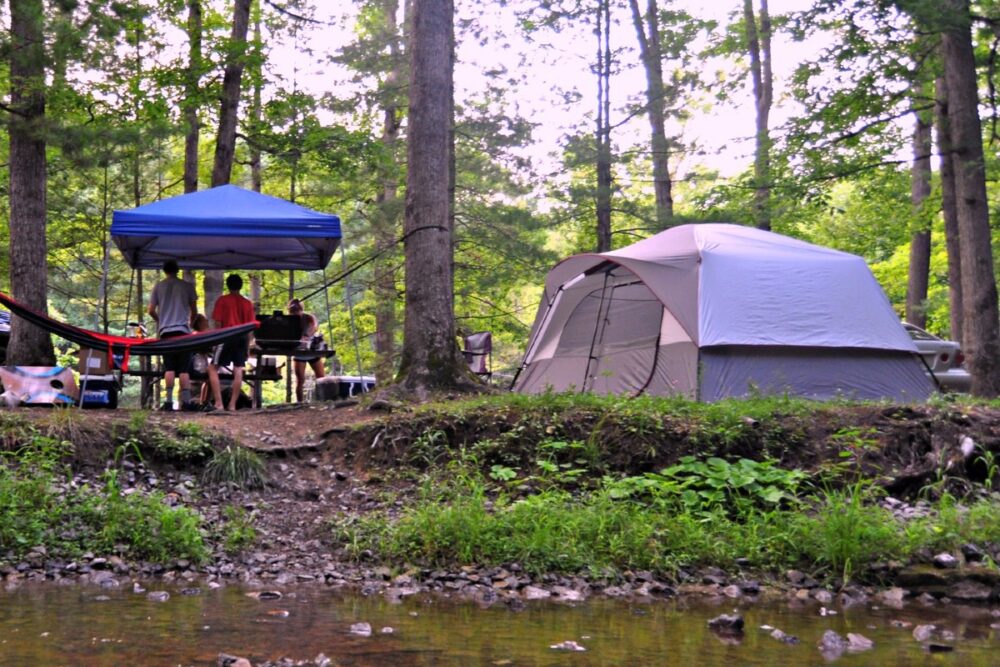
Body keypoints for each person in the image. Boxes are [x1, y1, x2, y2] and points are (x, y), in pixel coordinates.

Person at [148, 259, 197, 411]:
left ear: (164, 270)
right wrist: (190, 323)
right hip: (183, 331)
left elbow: (150, 310)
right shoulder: (187, 286)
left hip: (166, 332)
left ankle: (169, 402)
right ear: (177, 269)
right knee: (184, 369)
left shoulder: (158, 286)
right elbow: (194, 309)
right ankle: (187, 403)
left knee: (169, 367)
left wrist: (161, 321)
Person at [208, 274, 256, 411]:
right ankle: (232, 405)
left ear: (227, 285)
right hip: (241, 337)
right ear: (240, 286)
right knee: (238, 369)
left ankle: (219, 403)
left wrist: (217, 340)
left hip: (226, 336)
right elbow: (250, 328)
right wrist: (247, 345)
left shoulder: (222, 301)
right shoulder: (247, 304)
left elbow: (218, 322)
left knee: (212, 368)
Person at [288, 298, 327, 402]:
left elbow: (313, 328)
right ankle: (299, 402)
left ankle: (322, 399)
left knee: (321, 378)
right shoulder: (289, 320)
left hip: (312, 351)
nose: (296, 314)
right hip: (298, 352)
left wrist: (306, 335)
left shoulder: (309, 317)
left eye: (298, 311)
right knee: (300, 380)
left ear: (301, 309)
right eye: (293, 312)